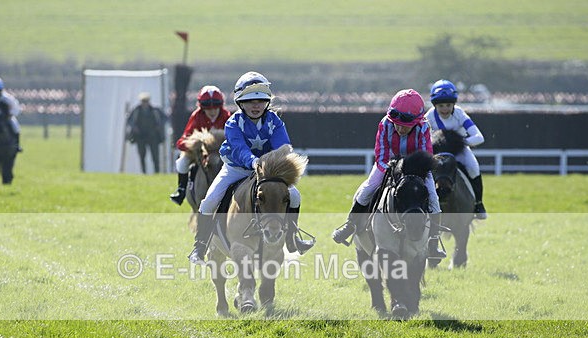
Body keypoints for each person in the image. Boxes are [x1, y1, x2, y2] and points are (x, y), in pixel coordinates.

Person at [188, 71, 314, 264]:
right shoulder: (233, 123)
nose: (256, 106)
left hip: (266, 172)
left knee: (295, 196)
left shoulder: (275, 121)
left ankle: (291, 238)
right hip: (236, 168)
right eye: (249, 101)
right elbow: (239, 150)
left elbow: (283, 147)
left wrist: (272, 164)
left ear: (267, 102)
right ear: (240, 102)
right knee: (208, 202)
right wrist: (254, 162)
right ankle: (200, 246)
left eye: (261, 101)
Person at [331, 88, 445, 260]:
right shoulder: (385, 123)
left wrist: (413, 171)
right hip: (388, 164)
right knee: (367, 189)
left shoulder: (423, 127)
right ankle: (350, 225)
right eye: (397, 124)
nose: (399, 128)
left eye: (405, 126)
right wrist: (393, 169)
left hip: (416, 169)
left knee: (433, 198)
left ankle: (433, 242)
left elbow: (425, 156)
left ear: (416, 122)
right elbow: (381, 153)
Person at [426, 79, 487, 219]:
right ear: (435, 105)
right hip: (438, 154)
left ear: (454, 104)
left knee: (473, 168)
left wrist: (459, 142)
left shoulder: (459, 113)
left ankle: (478, 204)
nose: (445, 109)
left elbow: (479, 137)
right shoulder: (429, 116)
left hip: (459, 150)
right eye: (441, 105)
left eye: (448, 105)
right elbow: (422, 138)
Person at [169, 85, 231, 204]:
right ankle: (181, 189)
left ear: (220, 106)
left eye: (215, 108)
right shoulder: (197, 116)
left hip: (221, 152)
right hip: (199, 152)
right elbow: (183, 139)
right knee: (181, 163)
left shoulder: (226, 116)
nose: (212, 111)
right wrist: (193, 144)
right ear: (202, 108)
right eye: (208, 109)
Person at [126, 93, 166, 174]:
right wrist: (134, 128)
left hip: (153, 136)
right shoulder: (136, 110)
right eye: (143, 101)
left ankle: (157, 172)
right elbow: (129, 120)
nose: (145, 103)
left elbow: (165, 118)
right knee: (142, 156)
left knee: (155, 156)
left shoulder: (155, 110)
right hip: (140, 137)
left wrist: (159, 126)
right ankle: (144, 172)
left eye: (146, 101)